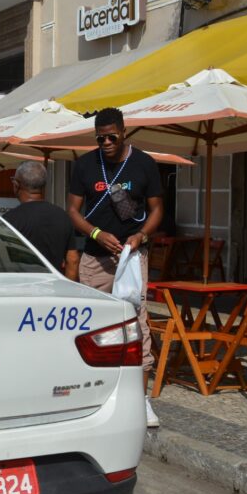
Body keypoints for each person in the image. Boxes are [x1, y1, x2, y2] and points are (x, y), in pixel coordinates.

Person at [66, 107, 164, 428]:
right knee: (93, 323)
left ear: (124, 132)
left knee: (138, 322)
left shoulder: (144, 163)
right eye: (100, 137)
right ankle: (95, 395)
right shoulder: (85, 165)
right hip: (95, 256)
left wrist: (141, 235)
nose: (106, 142)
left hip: (132, 258)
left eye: (112, 136)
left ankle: (142, 400)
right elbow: (73, 211)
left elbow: (157, 209)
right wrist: (95, 233)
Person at [3, 161, 78, 281]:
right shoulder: (62, 216)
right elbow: (72, 260)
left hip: (21, 289)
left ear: (16, 185)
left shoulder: (9, 220)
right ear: (43, 186)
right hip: (54, 289)